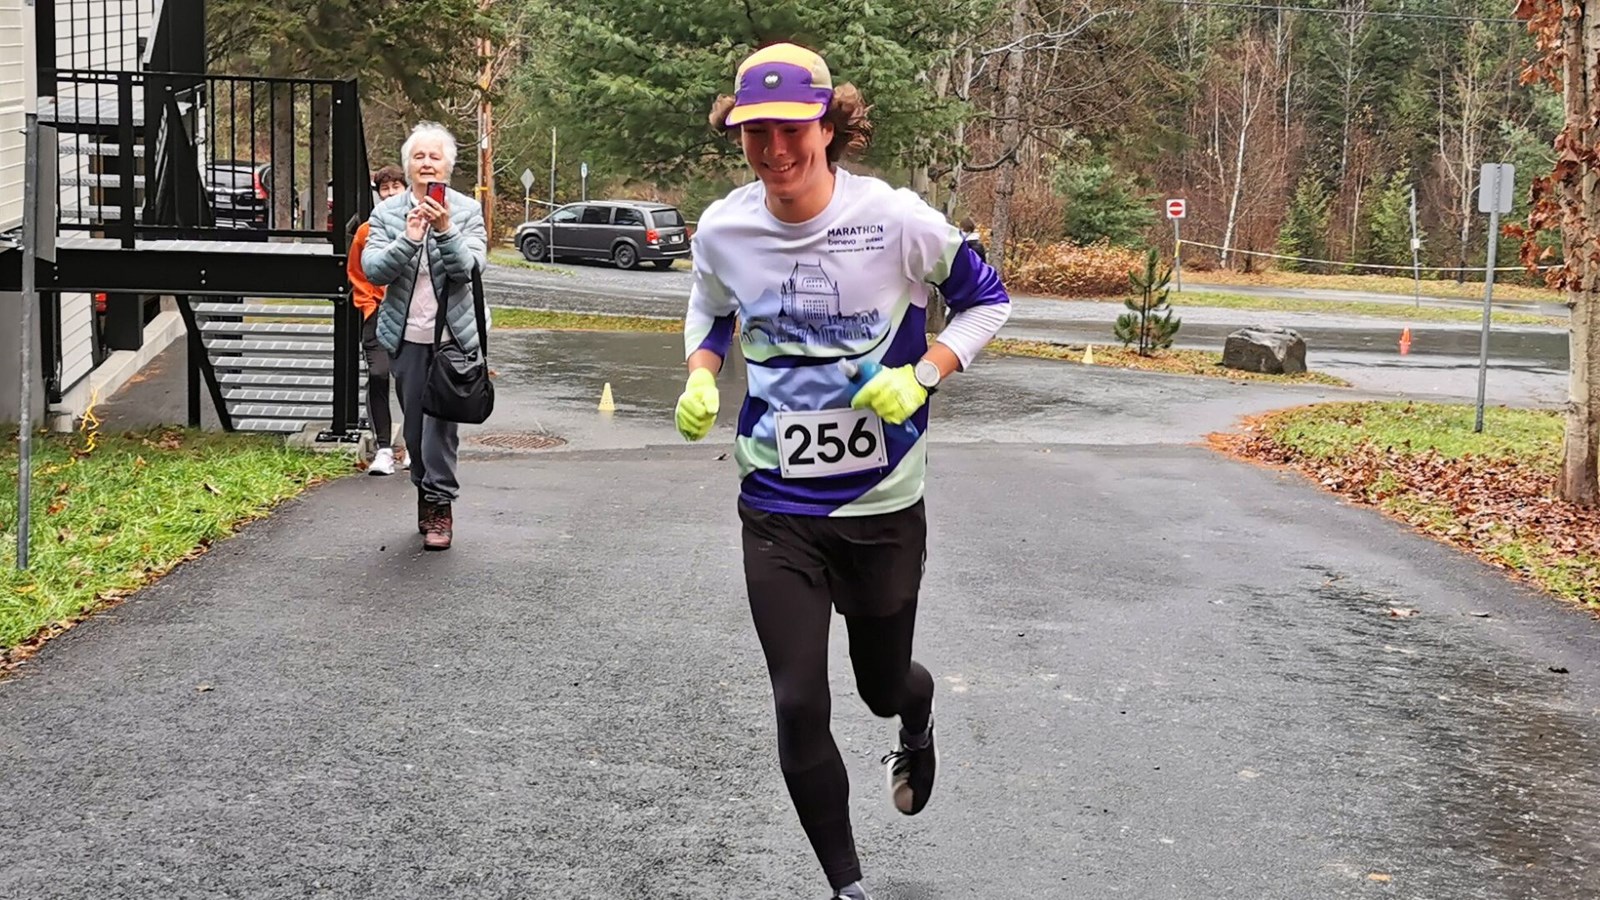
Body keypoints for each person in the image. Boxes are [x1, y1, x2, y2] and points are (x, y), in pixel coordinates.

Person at [674, 43, 1012, 900]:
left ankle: (916, 710)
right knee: (797, 700)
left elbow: (989, 300)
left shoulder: (899, 220)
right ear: (738, 134)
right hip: (777, 505)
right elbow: (709, 314)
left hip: (883, 503)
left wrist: (925, 372)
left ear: (828, 126)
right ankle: (847, 886)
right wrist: (703, 376)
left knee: (879, 685)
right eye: (756, 134)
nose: (775, 151)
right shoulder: (723, 228)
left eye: (792, 131)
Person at [361, 123, 487, 551]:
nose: (427, 163)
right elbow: (374, 269)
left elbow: (469, 269)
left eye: (435, 157)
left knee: (440, 429)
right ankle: (425, 490)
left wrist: (447, 231)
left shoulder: (467, 211)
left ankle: (439, 505)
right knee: (414, 430)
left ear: (448, 166)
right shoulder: (386, 213)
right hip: (406, 336)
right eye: (419, 157)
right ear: (408, 165)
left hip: (453, 336)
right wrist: (409, 238)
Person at [348, 163, 409, 476]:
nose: (388, 194)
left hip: (411, 316)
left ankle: (412, 444)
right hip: (377, 314)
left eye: (394, 187)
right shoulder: (365, 231)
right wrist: (369, 306)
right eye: (383, 189)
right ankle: (383, 448)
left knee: (412, 381)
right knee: (379, 375)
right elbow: (357, 274)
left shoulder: (415, 225)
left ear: (405, 189)